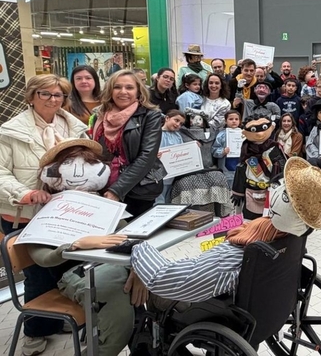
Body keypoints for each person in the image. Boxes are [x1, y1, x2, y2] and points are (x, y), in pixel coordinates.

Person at [128, 157, 321, 303]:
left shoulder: (234, 258)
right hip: (268, 297)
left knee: (149, 292)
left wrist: (138, 248)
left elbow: (162, 277)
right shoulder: (292, 239)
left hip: (209, 288)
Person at [0, 75, 88, 355]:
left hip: (65, 212)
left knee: (64, 269)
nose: (53, 99)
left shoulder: (74, 127)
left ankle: (56, 319)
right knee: (37, 275)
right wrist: (25, 193)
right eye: (45, 94)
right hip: (26, 213)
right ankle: (34, 331)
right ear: (31, 96)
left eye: (59, 95)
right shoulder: (11, 131)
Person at [31, 139, 142, 356]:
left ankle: (150, 343)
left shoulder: (102, 203)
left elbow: (130, 235)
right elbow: (40, 256)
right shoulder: (48, 208)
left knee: (158, 283)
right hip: (77, 273)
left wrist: (141, 269)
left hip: (113, 264)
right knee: (112, 294)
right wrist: (74, 245)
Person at [93, 70, 164, 218]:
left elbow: (147, 156)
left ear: (139, 91)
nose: (123, 92)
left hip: (138, 190)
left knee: (132, 237)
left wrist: (117, 190)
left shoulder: (150, 115)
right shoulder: (99, 116)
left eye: (129, 87)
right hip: (103, 186)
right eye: (117, 87)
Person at [156, 109, 186, 204]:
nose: (178, 124)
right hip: (158, 172)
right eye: (176, 120)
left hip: (173, 173)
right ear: (167, 118)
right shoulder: (156, 133)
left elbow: (182, 150)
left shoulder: (178, 136)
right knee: (158, 197)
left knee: (168, 196)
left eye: (181, 123)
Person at [212, 110, 242, 189]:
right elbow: (214, 150)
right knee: (227, 187)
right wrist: (223, 151)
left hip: (240, 164)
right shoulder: (221, 135)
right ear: (226, 121)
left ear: (240, 121)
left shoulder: (244, 134)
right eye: (231, 119)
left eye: (236, 119)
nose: (234, 121)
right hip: (226, 167)